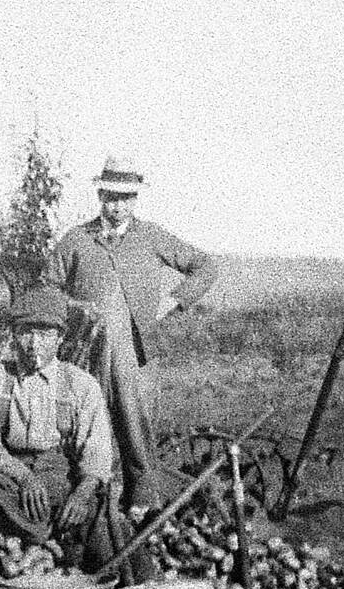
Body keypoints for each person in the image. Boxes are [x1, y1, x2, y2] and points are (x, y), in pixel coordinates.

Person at [45, 156, 218, 518]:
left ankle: (142, 503)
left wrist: (174, 302)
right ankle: (90, 503)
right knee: (88, 424)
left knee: (134, 424)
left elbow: (205, 266)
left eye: (124, 198)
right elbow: (47, 290)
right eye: (110, 197)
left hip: (134, 354)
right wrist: (78, 309)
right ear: (99, 196)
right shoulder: (76, 240)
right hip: (85, 353)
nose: (116, 206)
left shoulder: (150, 237)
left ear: (135, 200)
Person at [0, 286, 154, 578]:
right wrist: (23, 476)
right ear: (13, 334)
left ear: (60, 339)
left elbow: (96, 451)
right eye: (26, 333)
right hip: (9, 474)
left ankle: (63, 537)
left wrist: (82, 493)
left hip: (59, 475)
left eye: (46, 335)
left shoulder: (81, 385)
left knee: (101, 514)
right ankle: (50, 535)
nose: (35, 344)